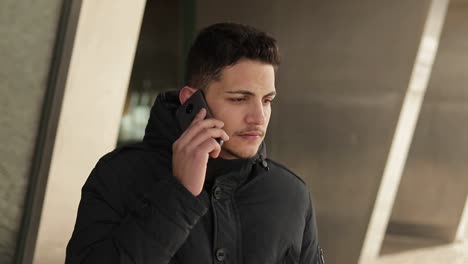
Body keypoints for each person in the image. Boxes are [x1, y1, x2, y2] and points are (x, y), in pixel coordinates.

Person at [66, 22, 324, 264]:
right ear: (192, 100)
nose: (258, 117)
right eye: (238, 99)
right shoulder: (120, 175)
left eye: (267, 100)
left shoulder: (291, 195)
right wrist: (179, 194)